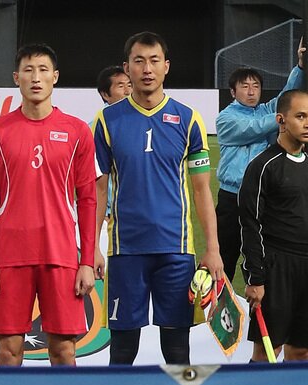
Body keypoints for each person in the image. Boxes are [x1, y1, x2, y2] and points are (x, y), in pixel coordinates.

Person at [93, 31, 222, 366]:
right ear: (127, 68)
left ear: (166, 66)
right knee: (122, 350)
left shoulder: (189, 119)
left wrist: (213, 249)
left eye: (154, 61)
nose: (147, 69)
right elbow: (99, 190)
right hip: (125, 251)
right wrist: (91, 246)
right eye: (139, 61)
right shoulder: (106, 121)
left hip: (176, 250)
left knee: (178, 349)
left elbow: (201, 190)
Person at [0, 44, 98, 368]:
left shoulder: (77, 132)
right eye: (28, 70)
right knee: (8, 351)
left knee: (64, 351)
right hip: (10, 257)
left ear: (55, 77)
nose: (36, 77)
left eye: (43, 70)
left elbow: (87, 200)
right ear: (16, 78)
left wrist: (86, 261)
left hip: (59, 255)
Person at [215, 52, 305, 285]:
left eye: (255, 86)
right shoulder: (225, 118)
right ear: (233, 92)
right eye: (245, 86)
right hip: (231, 198)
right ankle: (215, 313)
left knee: (258, 254)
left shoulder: (267, 110)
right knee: (225, 254)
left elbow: (287, 96)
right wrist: (281, 116)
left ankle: (258, 308)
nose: (251, 91)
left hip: (261, 198)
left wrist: (300, 67)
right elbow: (253, 128)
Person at [240, 88, 308, 361]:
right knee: (268, 351)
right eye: (300, 116)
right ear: (281, 120)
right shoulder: (262, 167)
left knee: (301, 349)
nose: (307, 122)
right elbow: (249, 224)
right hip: (276, 268)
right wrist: (255, 278)